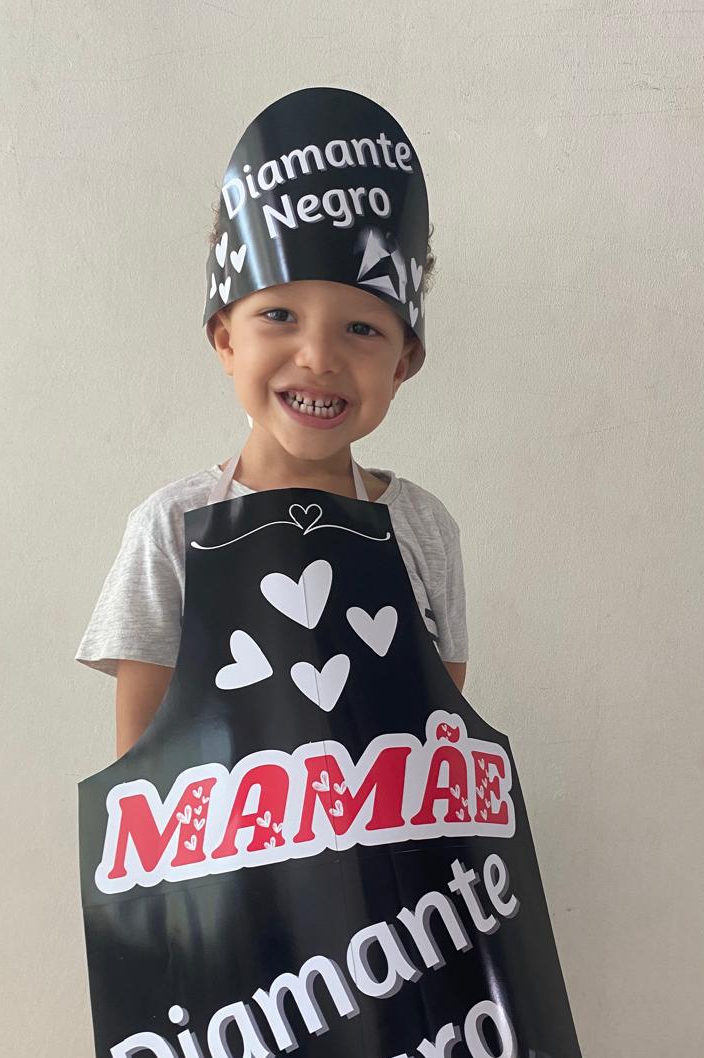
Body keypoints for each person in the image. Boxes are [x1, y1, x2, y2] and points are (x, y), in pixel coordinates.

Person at [75, 222, 468, 757]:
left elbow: (444, 726)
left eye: (361, 328)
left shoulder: (425, 525)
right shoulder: (168, 526)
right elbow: (138, 766)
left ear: (399, 367)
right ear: (227, 341)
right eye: (280, 316)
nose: (318, 358)